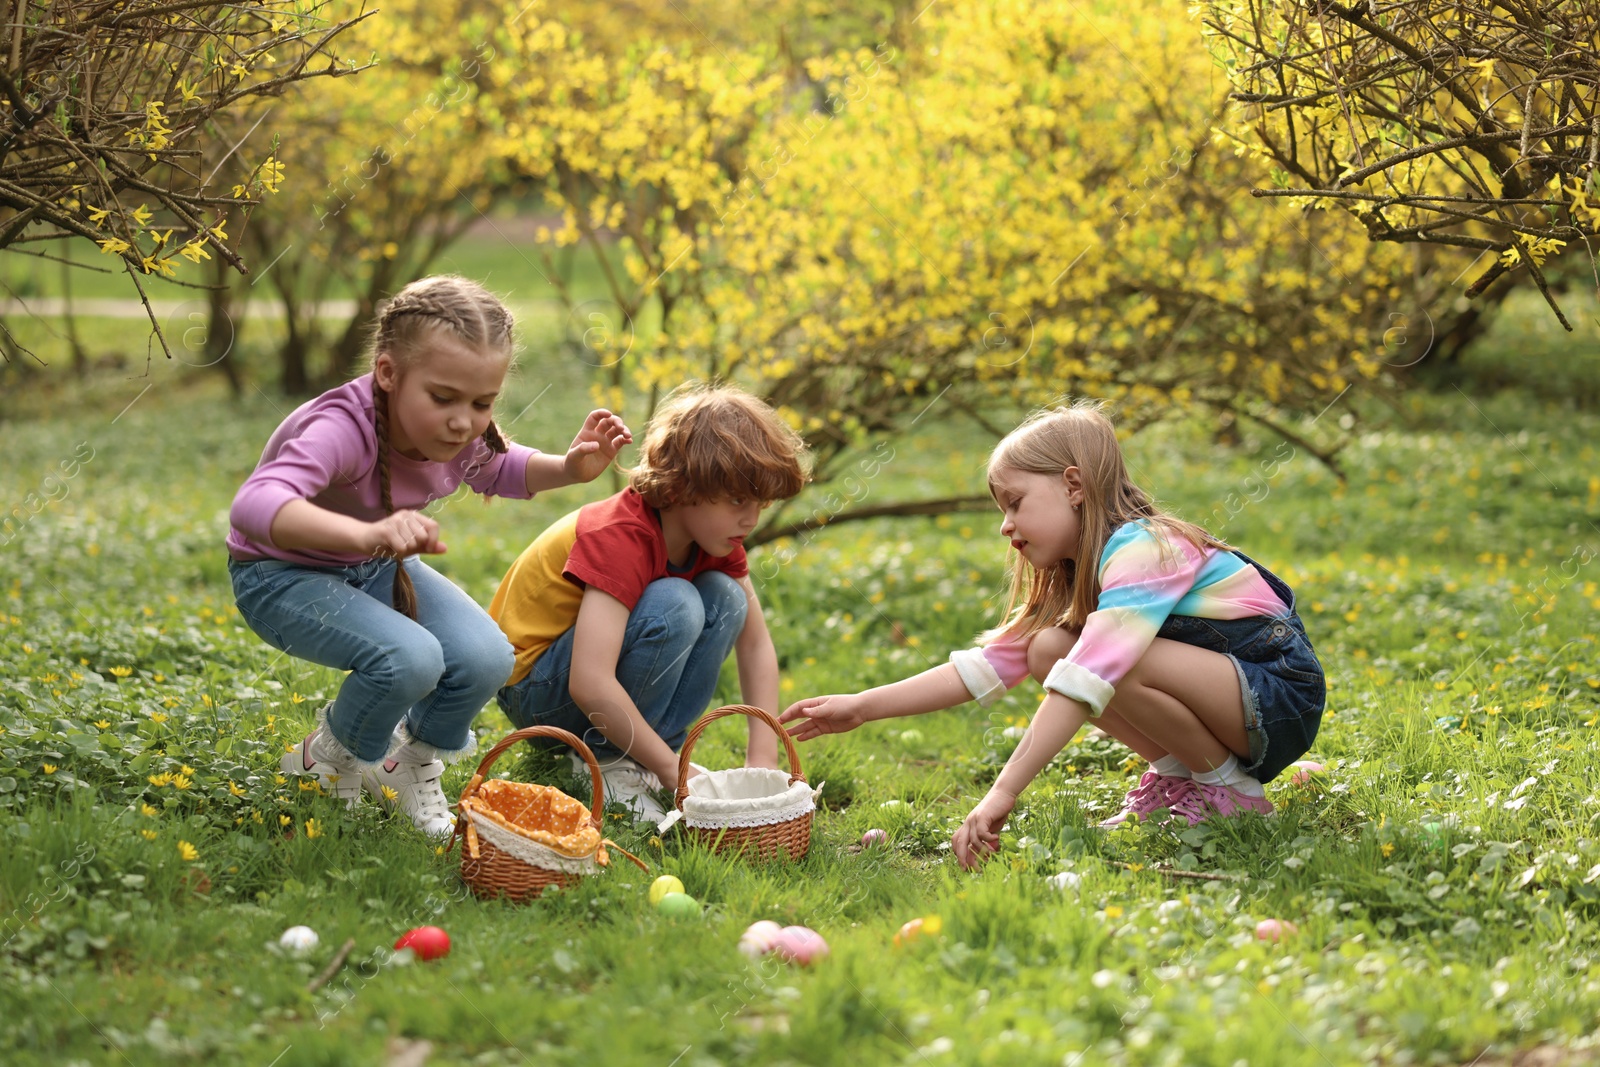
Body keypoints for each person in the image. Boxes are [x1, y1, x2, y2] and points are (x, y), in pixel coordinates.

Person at [781, 399, 1324, 867]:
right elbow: (988, 667)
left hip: (1276, 698)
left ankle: (1229, 791)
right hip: (1230, 706)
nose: (1005, 524)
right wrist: (862, 707)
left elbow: (1089, 674)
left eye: (1015, 503)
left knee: (1103, 659)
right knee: (1048, 648)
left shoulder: (1145, 548)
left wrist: (1002, 792)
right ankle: (1186, 777)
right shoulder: (1074, 573)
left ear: (1072, 485)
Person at [227, 275, 631, 836]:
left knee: (487, 656)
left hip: (369, 568)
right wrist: (364, 534)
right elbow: (254, 505)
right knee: (410, 659)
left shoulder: (459, 432)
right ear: (388, 373)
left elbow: (500, 466)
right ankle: (327, 760)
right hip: (280, 576)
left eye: (482, 402)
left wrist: (568, 467)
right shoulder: (341, 428)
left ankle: (405, 764)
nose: (463, 420)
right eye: (443, 398)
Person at [490, 383, 809, 822]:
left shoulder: (716, 539)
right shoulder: (620, 535)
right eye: (737, 500)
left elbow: (754, 646)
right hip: (535, 689)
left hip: (583, 688)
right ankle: (606, 761)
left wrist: (763, 758)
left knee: (727, 598)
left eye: (760, 502)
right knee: (676, 602)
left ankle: (636, 757)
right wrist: (674, 771)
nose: (751, 519)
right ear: (683, 488)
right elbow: (588, 680)